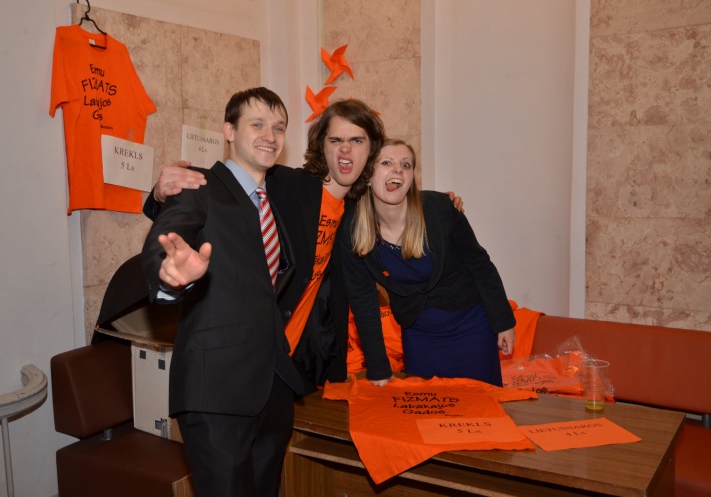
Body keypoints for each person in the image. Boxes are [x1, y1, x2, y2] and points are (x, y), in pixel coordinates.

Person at [144, 99, 388, 391]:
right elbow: (219, 187)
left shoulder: (356, 211)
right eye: (335, 140)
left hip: (302, 359)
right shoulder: (285, 184)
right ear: (322, 145)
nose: (345, 149)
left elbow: (361, 290)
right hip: (245, 353)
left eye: (357, 140)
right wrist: (160, 194)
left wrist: (379, 368)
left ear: (371, 149)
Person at [141, 87, 306, 497]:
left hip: (272, 388)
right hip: (215, 390)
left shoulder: (274, 196)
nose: (270, 135)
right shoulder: (199, 186)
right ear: (229, 131)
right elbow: (165, 239)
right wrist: (171, 275)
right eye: (257, 124)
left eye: (279, 127)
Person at [338, 138, 516, 387]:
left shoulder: (440, 208)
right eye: (386, 162)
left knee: (482, 406)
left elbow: (480, 264)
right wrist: (378, 366)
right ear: (367, 175)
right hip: (419, 335)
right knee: (426, 409)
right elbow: (362, 300)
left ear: (411, 178)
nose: (398, 169)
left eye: (406, 165)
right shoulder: (353, 229)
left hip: (471, 327)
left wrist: (504, 322)